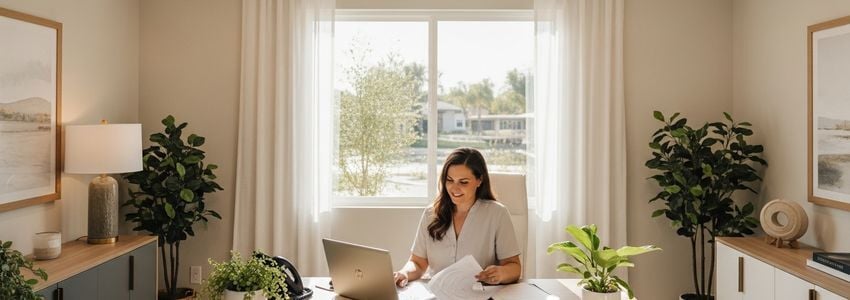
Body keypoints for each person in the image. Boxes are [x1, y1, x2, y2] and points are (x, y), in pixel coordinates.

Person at [393, 147, 521, 288]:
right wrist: (404, 273)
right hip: (437, 293)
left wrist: (501, 273)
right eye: (450, 180)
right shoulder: (430, 214)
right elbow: (418, 263)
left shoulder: (497, 213)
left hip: (479, 293)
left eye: (463, 182)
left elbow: (514, 267)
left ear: (479, 180)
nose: (454, 188)